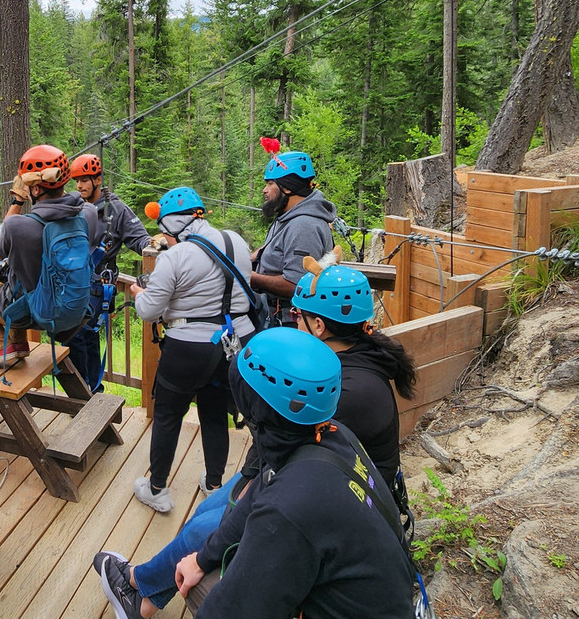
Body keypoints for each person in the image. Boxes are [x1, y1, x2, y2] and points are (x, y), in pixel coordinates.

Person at [93, 255, 417, 619]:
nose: (294, 319)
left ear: (321, 326)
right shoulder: (339, 376)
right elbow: (277, 460)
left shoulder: (345, 393)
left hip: (321, 507)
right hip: (328, 491)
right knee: (209, 511)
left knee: (206, 529)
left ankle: (139, 587)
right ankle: (143, 594)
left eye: (299, 315)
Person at [129, 187, 255, 513]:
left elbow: (149, 311)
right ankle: (215, 484)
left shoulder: (176, 255)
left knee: (169, 415)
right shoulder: (236, 242)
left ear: (172, 226)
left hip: (188, 348)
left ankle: (157, 489)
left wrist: (137, 292)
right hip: (234, 344)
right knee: (214, 413)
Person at [0, 144, 98, 368]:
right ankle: (16, 344)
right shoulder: (88, 214)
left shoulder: (18, 226)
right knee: (15, 284)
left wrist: (17, 200)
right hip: (71, 311)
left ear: (34, 189)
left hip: (28, 313)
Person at [65, 153, 151, 392]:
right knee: (83, 337)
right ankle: (91, 389)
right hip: (72, 281)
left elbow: (140, 240)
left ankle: (84, 391)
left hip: (97, 284)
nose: (80, 185)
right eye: (77, 180)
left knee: (79, 334)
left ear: (98, 179)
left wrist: (157, 244)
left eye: (85, 180)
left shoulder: (116, 210)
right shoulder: (73, 205)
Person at [250, 148, 336, 326]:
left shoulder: (303, 226)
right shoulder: (288, 215)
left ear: (287, 188)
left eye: (270, 183)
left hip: (290, 322)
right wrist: (252, 256)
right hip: (275, 315)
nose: (264, 190)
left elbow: (296, 285)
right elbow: (279, 247)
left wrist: (251, 277)